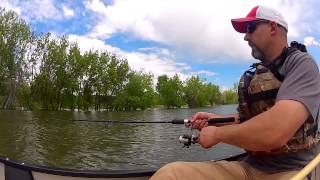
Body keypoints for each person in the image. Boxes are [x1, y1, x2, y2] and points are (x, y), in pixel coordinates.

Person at [150, 5, 320, 180]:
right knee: (170, 174)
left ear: (273, 27)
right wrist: (215, 121)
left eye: (250, 28)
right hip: (247, 167)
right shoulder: (256, 75)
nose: (246, 36)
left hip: (292, 171)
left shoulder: (302, 65)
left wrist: (217, 135)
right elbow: (247, 121)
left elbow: (275, 131)